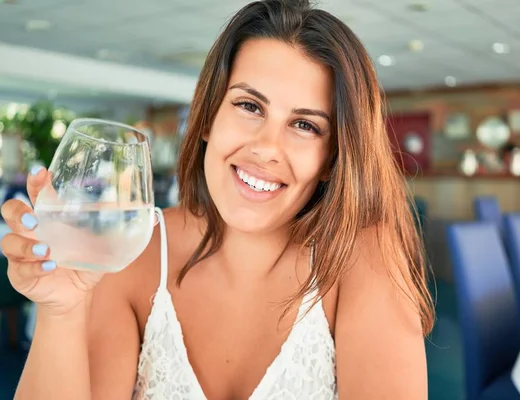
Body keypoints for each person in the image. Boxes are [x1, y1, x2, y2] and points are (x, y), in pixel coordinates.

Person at [0, 0, 434, 398]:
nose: (266, 147)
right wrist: (63, 312)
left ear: (330, 157)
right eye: (249, 106)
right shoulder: (136, 251)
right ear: (208, 117)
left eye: (305, 126)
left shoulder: (363, 259)